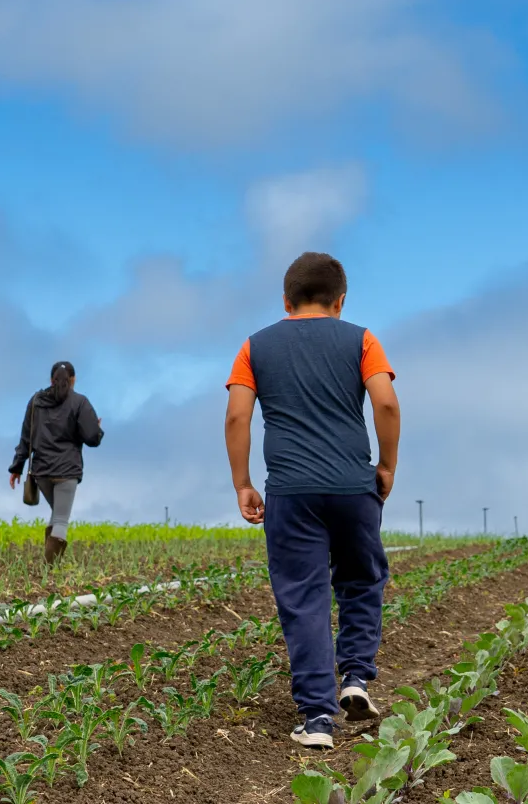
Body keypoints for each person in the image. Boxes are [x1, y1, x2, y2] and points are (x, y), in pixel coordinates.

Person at [224, 251, 400, 750]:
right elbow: (385, 401)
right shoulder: (362, 339)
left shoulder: (254, 346)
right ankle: (357, 679)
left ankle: (318, 719)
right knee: (362, 581)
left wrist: (242, 482)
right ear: (340, 301)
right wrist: (386, 465)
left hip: (290, 490)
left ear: (285, 300)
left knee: (303, 597)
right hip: (353, 486)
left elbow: (237, 417)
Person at [7, 361, 103, 564]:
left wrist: (17, 467)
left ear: (51, 380)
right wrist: (97, 429)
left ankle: (50, 567)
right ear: (73, 380)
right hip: (67, 471)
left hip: (41, 472)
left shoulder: (36, 401)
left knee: (57, 513)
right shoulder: (80, 402)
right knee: (61, 519)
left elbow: (26, 437)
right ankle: (50, 569)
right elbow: (92, 438)